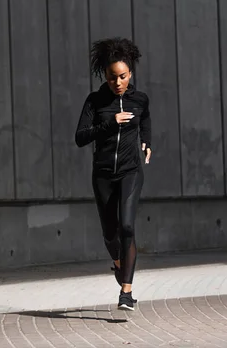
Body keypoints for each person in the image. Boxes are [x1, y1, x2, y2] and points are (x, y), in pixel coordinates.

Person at [75, 37, 152, 311]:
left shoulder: (139, 99)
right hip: (104, 175)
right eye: (111, 78)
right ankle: (119, 264)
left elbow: (144, 120)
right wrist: (109, 123)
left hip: (131, 171)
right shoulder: (95, 101)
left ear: (130, 73)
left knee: (128, 226)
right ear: (104, 76)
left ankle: (126, 292)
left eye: (122, 77)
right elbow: (81, 137)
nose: (117, 82)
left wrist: (147, 142)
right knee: (110, 234)